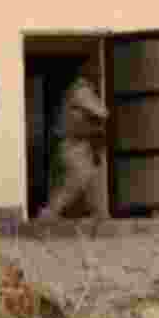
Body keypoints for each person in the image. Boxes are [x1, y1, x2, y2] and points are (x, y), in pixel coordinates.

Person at [37, 58, 109, 220]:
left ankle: (99, 215)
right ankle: (49, 213)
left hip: (76, 143)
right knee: (77, 180)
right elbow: (102, 112)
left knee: (90, 179)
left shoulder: (74, 91)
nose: (98, 73)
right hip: (73, 143)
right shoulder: (82, 90)